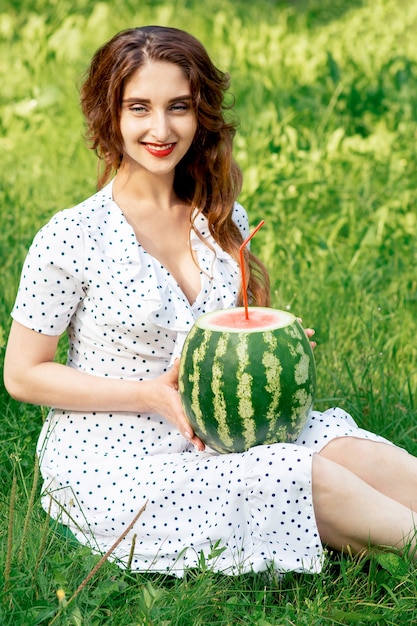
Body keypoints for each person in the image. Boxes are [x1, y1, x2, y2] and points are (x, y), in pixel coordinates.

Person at [4, 25, 417, 577]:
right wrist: (149, 395)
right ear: (111, 115)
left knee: (350, 451)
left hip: (230, 431)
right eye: (139, 108)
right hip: (117, 458)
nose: (160, 128)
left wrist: (274, 344)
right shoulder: (72, 236)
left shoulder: (222, 219)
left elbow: (225, 334)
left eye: (178, 106)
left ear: (201, 115)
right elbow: (22, 375)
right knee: (301, 474)